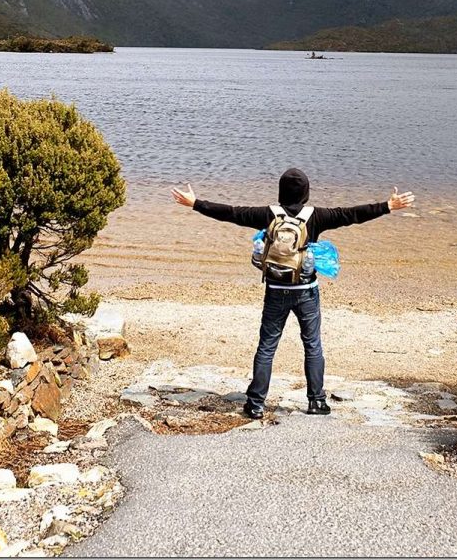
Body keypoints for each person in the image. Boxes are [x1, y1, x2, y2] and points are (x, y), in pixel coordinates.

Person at [172, 168, 415, 418]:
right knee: (312, 346)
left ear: (280, 192)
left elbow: (231, 213)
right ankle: (316, 401)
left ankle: (255, 404)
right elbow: (352, 214)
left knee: (267, 346)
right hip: (306, 291)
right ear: (306, 193)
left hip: (276, 291)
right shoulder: (318, 216)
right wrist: (388, 206)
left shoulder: (267, 214)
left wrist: (195, 203)